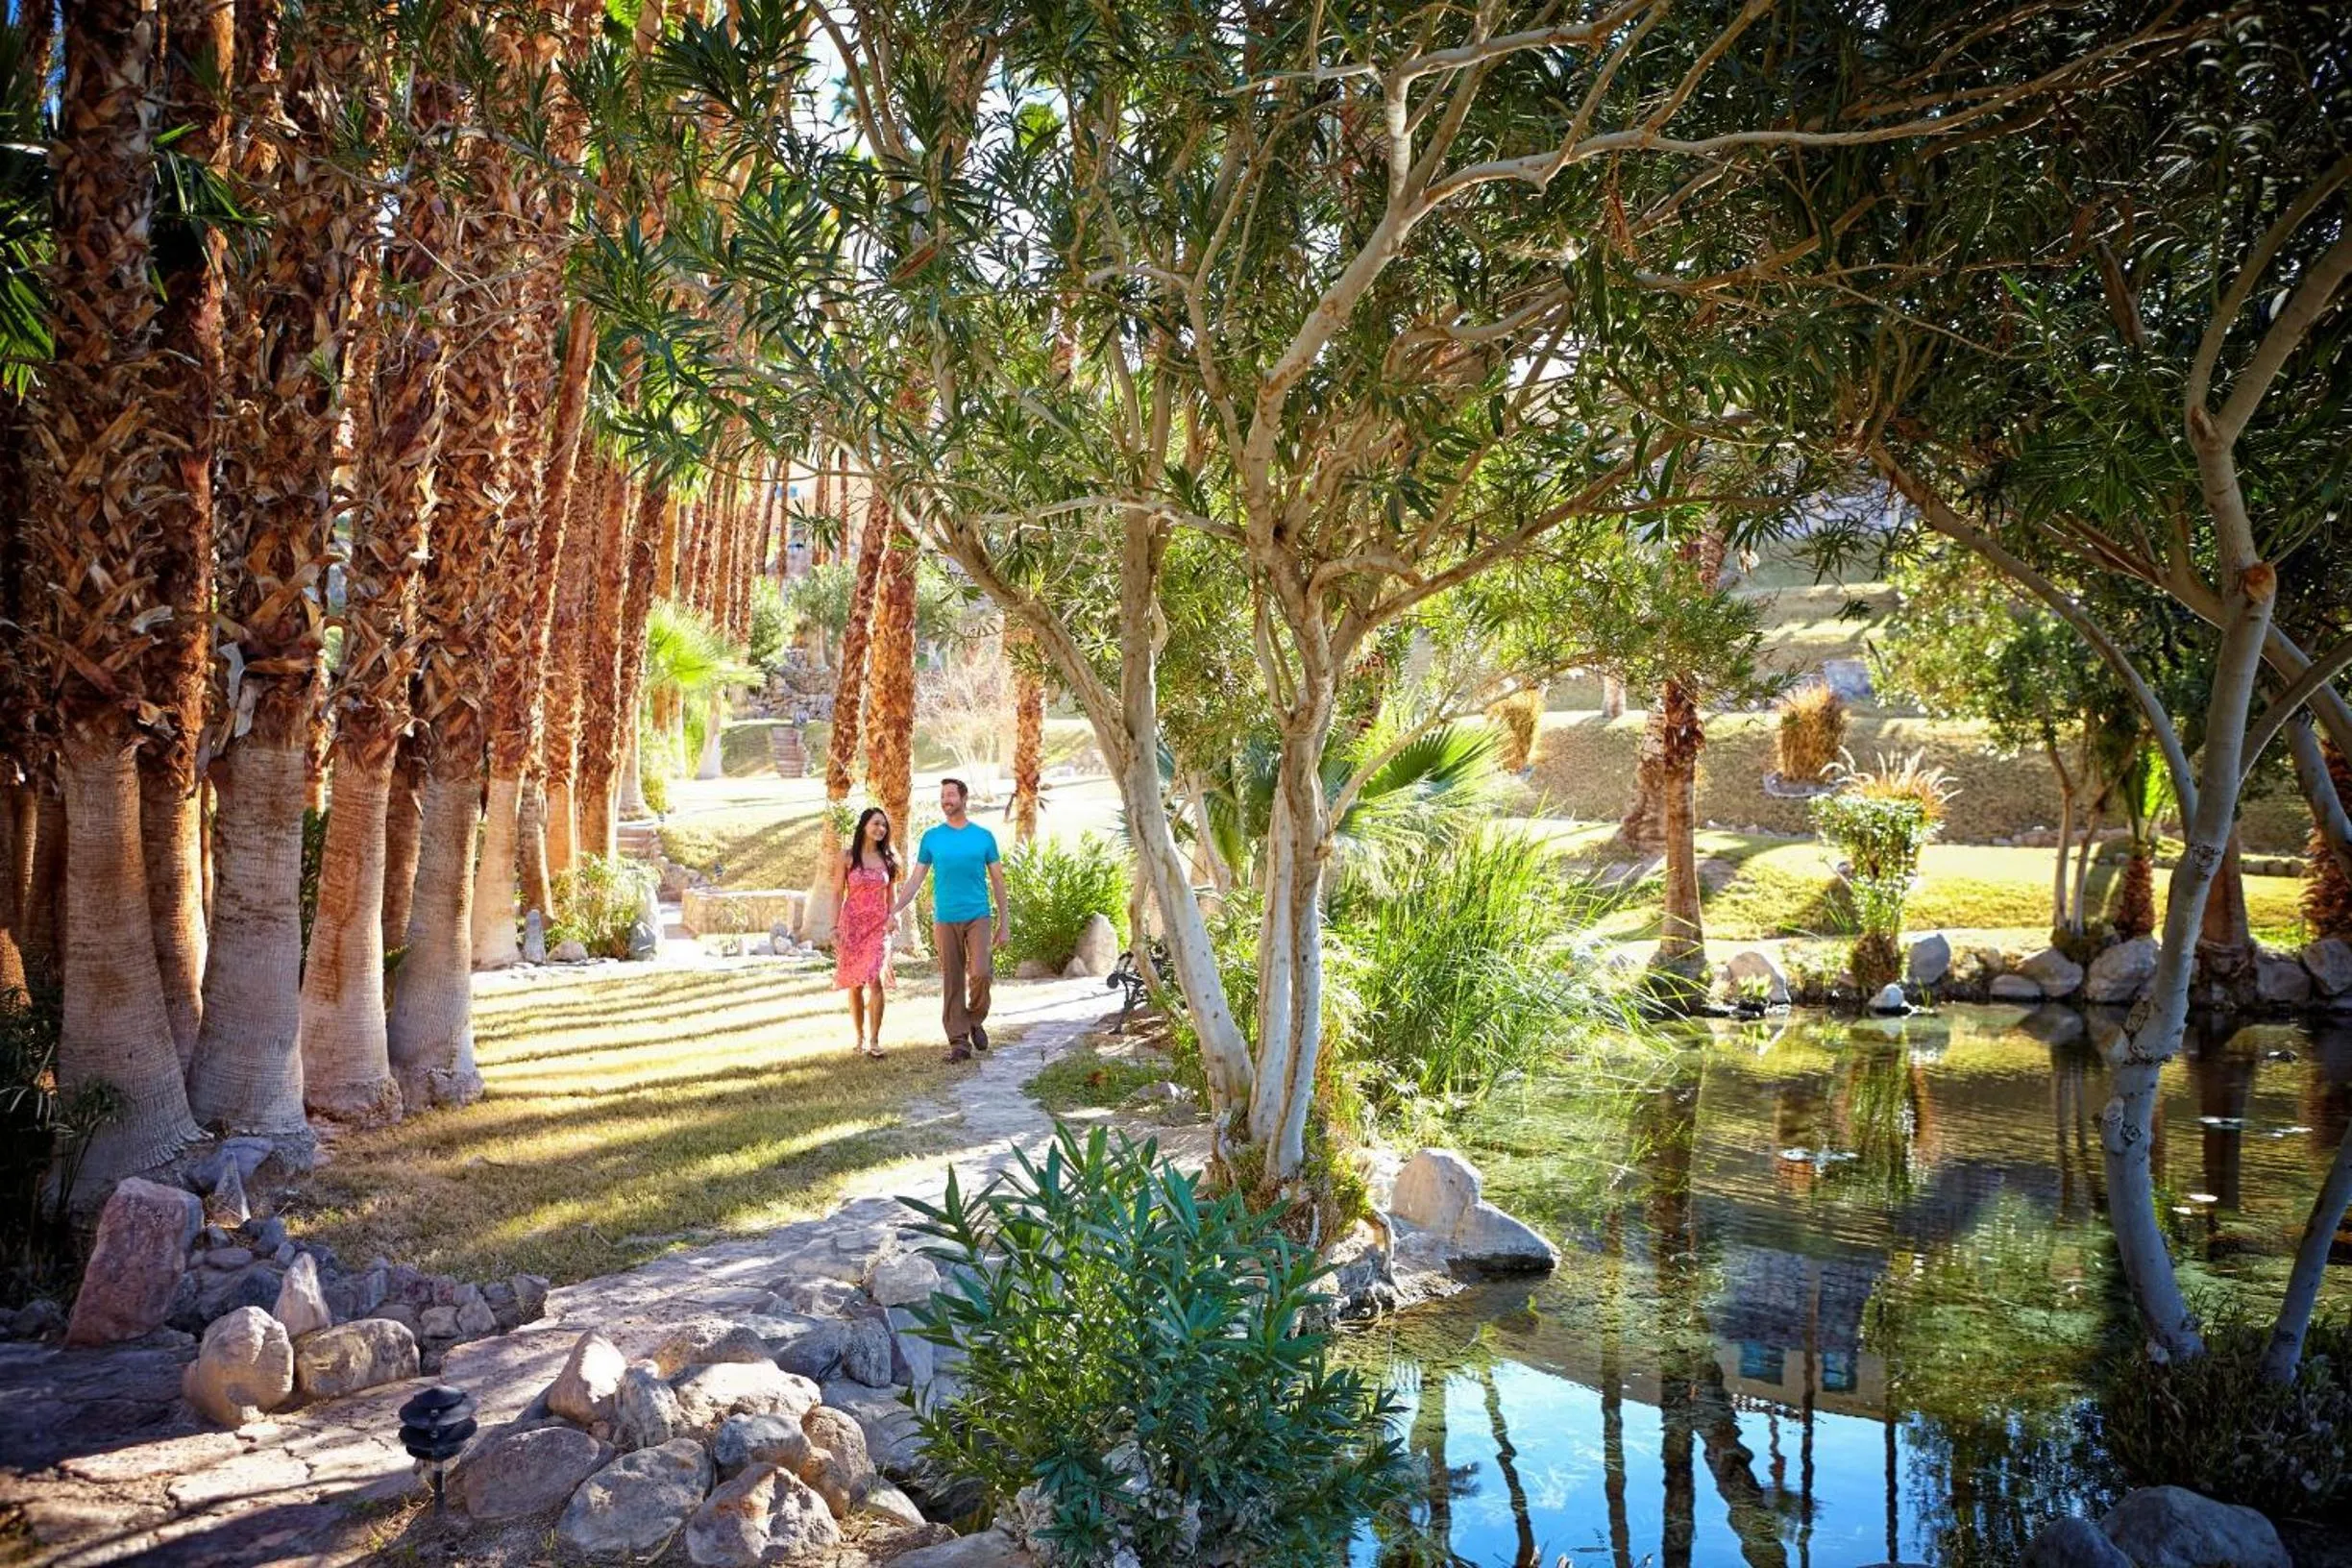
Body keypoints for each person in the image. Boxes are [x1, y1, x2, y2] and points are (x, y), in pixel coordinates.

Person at [892, 777, 1008, 1061]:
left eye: (951, 795)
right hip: (945, 918)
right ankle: (958, 1042)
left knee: (980, 972)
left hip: (978, 915)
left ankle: (974, 1018)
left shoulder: (983, 836)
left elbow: (998, 880)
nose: (946, 800)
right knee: (953, 979)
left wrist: (1005, 921)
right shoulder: (932, 838)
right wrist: (894, 909)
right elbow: (916, 879)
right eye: (943, 795)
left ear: (964, 798)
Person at [832, 807, 899, 1058]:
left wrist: (895, 917)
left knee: (875, 979)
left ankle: (874, 1040)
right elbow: (838, 893)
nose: (881, 829)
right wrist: (834, 927)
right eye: (876, 824)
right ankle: (858, 1037)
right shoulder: (847, 857)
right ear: (864, 826)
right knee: (856, 984)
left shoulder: (890, 859)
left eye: (884, 825)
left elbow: (892, 896)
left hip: (878, 926)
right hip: (852, 925)